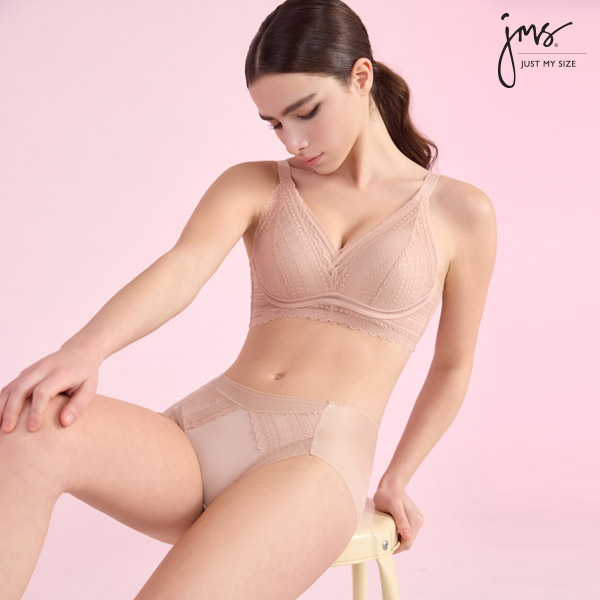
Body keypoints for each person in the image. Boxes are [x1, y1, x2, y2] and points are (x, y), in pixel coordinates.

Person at [0, 0, 497, 598]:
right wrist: (85, 351)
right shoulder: (256, 183)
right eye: (274, 123)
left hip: (315, 463)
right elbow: (183, 269)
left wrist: (397, 476)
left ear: (360, 77)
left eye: (305, 112)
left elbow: (452, 366)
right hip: (200, 434)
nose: (294, 140)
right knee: (24, 430)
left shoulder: (459, 212)